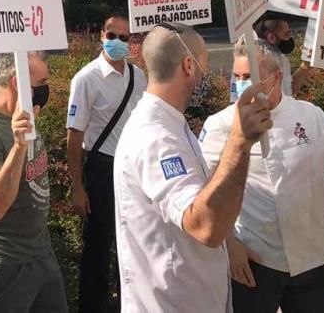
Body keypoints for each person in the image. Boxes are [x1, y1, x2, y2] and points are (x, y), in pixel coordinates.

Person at [200, 38, 324, 312]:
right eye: (238, 77)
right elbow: (203, 193)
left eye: (250, 77)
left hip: (312, 260)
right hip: (255, 261)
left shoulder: (311, 115)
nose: (242, 84)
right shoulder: (220, 125)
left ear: (276, 78)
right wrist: (229, 245)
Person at [114, 22, 271, 311]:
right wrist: (238, 142)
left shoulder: (170, 124)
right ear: (189, 64)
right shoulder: (156, 138)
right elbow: (205, 225)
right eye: (205, 62)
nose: (205, 72)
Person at [0, 52, 66, 313]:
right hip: (1, 261)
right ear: (18, 83)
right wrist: (19, 146)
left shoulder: (23, 118)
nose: (45, 89)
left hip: (38, 253)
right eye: (41, 82)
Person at [66, 13, 147, 311]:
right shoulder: (86, 79)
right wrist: (77, 187)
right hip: (101, 168)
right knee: (98, 248)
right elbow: (74, 135)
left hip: (133, 170)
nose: (117, 42)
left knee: (133, 242)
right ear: (101, 35)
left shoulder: (139, 77)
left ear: (131, 41)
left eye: (124, 37)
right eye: (111, 35)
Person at [253, 15, 309, 96]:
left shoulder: (281, 58)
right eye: (286, 34)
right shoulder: (254, 62)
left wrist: (306, 63)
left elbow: (289, 89)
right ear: (271, 37)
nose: (290, 37)